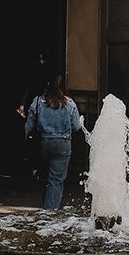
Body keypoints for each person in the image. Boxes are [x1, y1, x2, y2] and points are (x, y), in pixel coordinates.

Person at [24, 74, 85, 212]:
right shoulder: (70, 104)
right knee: (56, 180)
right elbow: (76, 126)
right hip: (63, 144)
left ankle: (47, 205)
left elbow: (29, 126)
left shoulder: (37, 101)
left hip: (43, 143)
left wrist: (27, 142)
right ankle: (50, 212)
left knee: (45, 176)